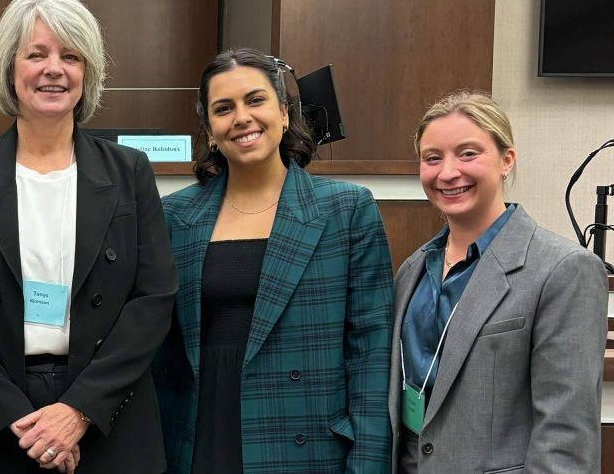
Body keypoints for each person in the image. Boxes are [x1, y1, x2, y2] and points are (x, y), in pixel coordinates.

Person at [0, 0, 178, 474]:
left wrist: (79, 411)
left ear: (88, 73)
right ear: (9, 69)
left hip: (107, 415)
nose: (54, 69)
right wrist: (15, 416)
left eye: (71, 56)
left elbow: (153, 298)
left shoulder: (130, 171)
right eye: (36, 54)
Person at [153, 48, 394, 474]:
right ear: (210, 131)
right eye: (223, 108)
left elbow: (371, 356)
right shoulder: (174, 216)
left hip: (304, 444)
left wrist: (368, 464)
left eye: (255, 100)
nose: (241, 117)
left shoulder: (345, 210)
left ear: (284, 113)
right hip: (197, 436)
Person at [388, 90, 606, 473]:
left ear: (507, 160)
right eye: (432, 158)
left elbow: (566, 438)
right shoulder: (412, 269)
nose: (447, 172)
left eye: (468, 153)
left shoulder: (564, 270)